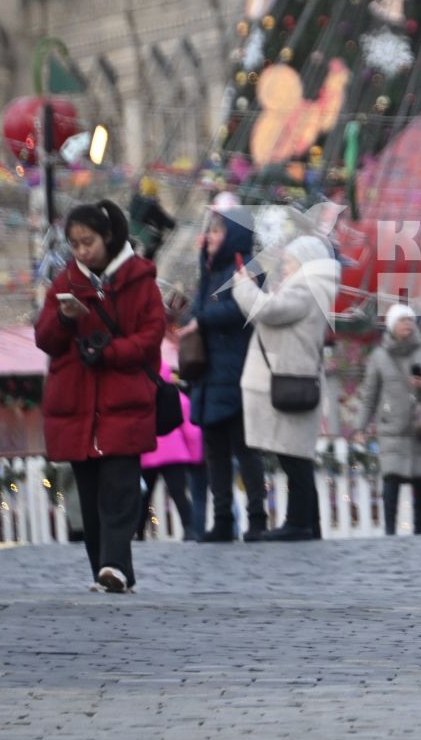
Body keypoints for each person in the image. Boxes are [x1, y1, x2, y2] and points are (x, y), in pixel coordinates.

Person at [35, 201, 166, 593]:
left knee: (120, 492)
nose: (80, 251)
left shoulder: (140, 279)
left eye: (87, 242)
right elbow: (45, 338)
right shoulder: (65, 282)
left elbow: (150, 336)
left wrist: (111, 351)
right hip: (77, 403)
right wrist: (64, 319)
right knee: (89, 500)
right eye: (74, 244)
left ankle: (114, 566)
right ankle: (106, 572)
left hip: (123, 400)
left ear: (107, 237)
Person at [232, 234, 338, 542]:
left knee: (294, 456)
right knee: (295, 455)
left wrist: (244, 286)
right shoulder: (310, 288)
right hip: (292, 377)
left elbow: (267, 311)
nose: (285, 268)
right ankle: (307, 522)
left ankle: (299, 522)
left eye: (289, 262)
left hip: (289, 381)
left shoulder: (306, 288)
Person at [184, 207, 270, 541]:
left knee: (245, 448)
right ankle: (222, 519)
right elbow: (200, 309)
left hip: (237, 370)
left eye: (218, 232)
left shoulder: (246, 265)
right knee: (215, 449)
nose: (210, 238)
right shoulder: (211, 270)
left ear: (232, 234)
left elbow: (241, 307)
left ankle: (257, 519)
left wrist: (202, 318)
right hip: (211, 373)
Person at [358, 303, 421, 536]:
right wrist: (360, 426)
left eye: (410, 320)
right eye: (402, 320)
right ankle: (390, 531)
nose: (407, 324)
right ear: (391, 326)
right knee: (391, 479)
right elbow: (370, 395)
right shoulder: (379, 357)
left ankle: (419, 530)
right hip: (393, 428)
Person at [140, 364, 203, 539]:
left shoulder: (140, 397)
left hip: (147, 452)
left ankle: (137, 532)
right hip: (174, 453)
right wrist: (196, 457)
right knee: (179, 493)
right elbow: (191, 431)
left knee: (144, 495)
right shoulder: (178, 397)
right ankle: (189, 528)